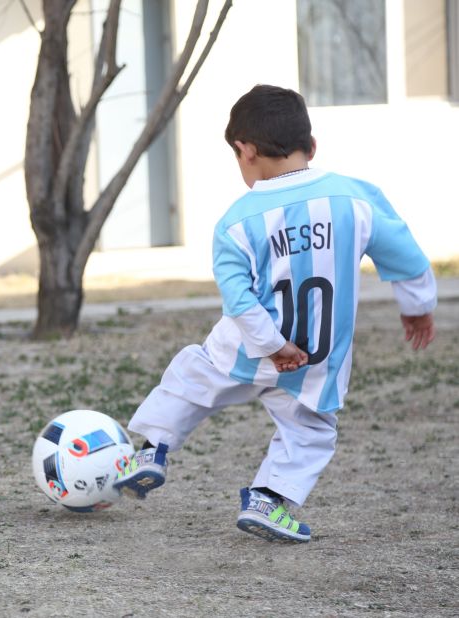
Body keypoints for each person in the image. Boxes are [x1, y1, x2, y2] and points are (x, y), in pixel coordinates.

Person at [112, 84, 438, 543]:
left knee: (190, 378)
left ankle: (152, 450)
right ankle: (268, 499)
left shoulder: (236, 222)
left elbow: (239, 298)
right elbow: (407, 256)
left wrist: (271, 345)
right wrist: (418, 307)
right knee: (309, 433)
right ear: (312, 146)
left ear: (245, 151)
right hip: (314, 361)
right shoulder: (355, 200)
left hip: (245, 349)